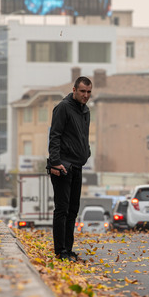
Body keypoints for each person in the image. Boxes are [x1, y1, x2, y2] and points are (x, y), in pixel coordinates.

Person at [48, 76, 92, 261]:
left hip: (77, 164)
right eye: (82, 91)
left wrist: (86, 153)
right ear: (74, 90)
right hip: (63, 165)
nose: (86, 95)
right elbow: (55, 135)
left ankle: (68, 249)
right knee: (62, 209)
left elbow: (83, 136)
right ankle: (61, 251)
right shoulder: (63, 107)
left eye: (89, 92)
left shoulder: (85, 110)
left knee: (73, 209)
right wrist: (55, 162)